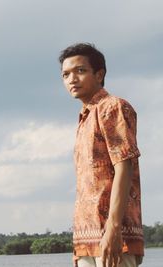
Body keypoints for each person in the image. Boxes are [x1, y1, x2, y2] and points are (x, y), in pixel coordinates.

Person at [58, 43, 144, 267]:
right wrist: (79, 247)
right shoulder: (85, 117)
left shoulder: (112, 107)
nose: (72, 79)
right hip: (88, 238)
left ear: (99, 74)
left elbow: (124, 166)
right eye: (65, 74)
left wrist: (113, 229)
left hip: (114, 235)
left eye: (80, 71)